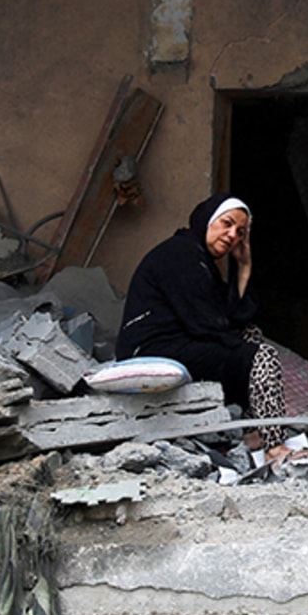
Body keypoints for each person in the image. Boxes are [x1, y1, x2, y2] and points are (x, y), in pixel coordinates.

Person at [117, 193, 289, 455]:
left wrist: (244, 265)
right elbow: (209, 324)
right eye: (227, 223)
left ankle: (255, 432)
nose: (232, 235)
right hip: (151, 347)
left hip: (177, 343)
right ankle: (275, 447)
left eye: (240, 232)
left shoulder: (200, 260)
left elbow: (233, 317)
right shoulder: (181, 253)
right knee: (261, 356)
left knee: (250, 336)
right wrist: (247, 353)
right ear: (207, 220)